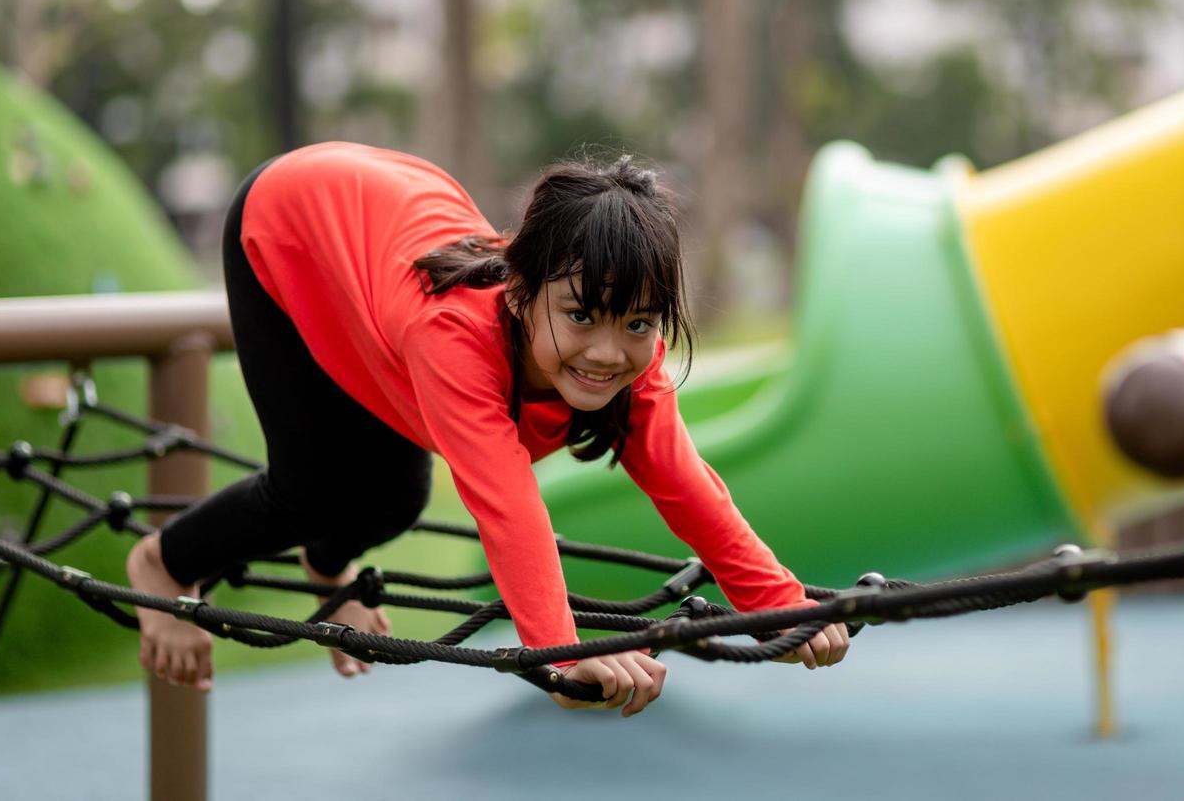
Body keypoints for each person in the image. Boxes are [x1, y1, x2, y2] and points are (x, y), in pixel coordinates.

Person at [127, 142, 848, 717]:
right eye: (580, 317)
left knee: (395, 499)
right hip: (290, 221)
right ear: (522, 290)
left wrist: (777, 605)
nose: (608, 351)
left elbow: (685, 483)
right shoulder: (456, 337)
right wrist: (559, 656)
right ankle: (163, 561)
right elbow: (506, 506)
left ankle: (328, 567)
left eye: (637, 322)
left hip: (382, 224)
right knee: (311, 486)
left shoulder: (634, 354)